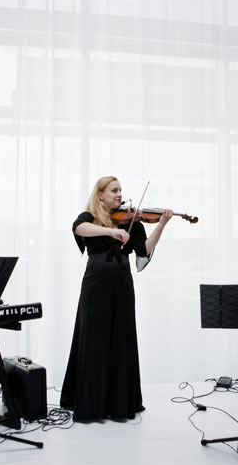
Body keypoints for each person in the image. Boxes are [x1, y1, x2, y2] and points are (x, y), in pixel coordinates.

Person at [60, 176, 172, 421]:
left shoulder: (131, 221)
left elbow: (144, 250)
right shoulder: (90, 217)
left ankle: (118, 403)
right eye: (114, 190)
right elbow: (78, 228)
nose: (119, 194)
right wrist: (111, 230)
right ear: (100, 195)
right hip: (95, 286)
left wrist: (161, 224)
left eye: (120, 190)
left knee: (122, 339)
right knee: (94, 339)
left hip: (122, 284)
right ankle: (92, 404)